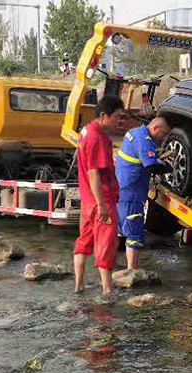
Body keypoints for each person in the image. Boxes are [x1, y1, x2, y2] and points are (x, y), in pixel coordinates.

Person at [73, 96, 125, 297]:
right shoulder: (98, 137)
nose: (119, 121)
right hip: (100, 201)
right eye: (117, 117)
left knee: (84, 241)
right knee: (106, 244)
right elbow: (94, 173)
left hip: (87, 200)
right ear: (104, 116)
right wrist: (102, 205)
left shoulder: (85, 131)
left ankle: (78, 286)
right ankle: (107, 291)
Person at [116, 114, 173, 270]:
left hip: (122, 190)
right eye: (163, 134)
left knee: (120, 230)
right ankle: (132, 271)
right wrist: (167, 167)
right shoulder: (144, 140)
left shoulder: (134, 132)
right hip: (131, 194)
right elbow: (151, 165)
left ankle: (112, 268)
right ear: (155, 128)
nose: (163, 138)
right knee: (135, 234)